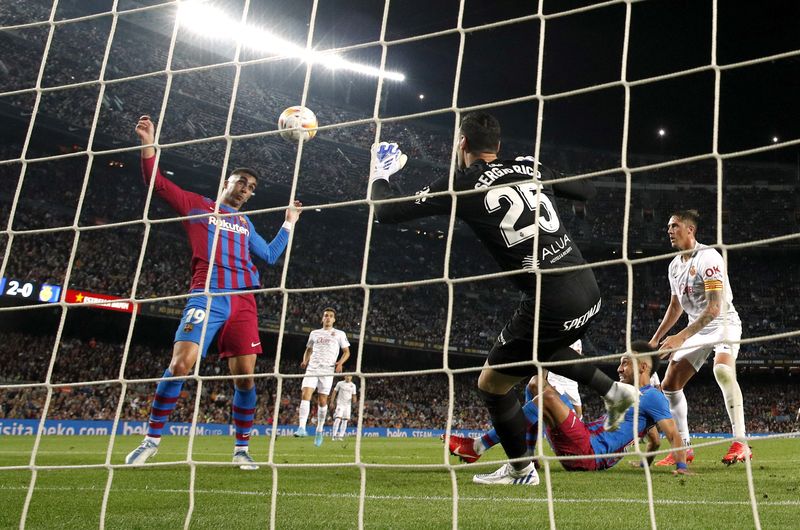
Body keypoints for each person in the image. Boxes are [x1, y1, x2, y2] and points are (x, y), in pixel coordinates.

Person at [369, 111, 637, 485]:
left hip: (550, 300)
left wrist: (380, 172)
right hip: (588, 290)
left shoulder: (461, 183)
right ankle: (614, 390)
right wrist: (546, 177)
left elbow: (384, 212)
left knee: (492, 384)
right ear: (498, 146)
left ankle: (521, 470)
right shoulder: (527, 167)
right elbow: (587, 191)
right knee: (537, 353)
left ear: (462, 144)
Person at [125, 115, 302, 470]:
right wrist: (149, 144)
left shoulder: (245, 222)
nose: (246, 190)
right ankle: (151, 440)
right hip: (206, 295)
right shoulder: (198, 206)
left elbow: (268, 254)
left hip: (243, 302)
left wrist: (288, 222)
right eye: (242, 182)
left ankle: (241, 448)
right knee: (180, 365)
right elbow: (156, 184)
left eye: (251, 188)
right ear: (228, 181)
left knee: (246, 378)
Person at [449, 341, 689, 483]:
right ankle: (529, 456)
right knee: (535, 384)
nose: (619, 367)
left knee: (547, 397)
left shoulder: (653, 396)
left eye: (625, 362)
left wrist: (681, 468)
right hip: (583, 440)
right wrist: (644, 464)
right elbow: (653, 440)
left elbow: (671, 435)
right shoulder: (629, 396)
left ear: (643, 366)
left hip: (590, 453)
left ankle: (478, 447)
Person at [648, 210, 750, 466]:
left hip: (723, 323)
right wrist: (655, 339)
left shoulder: (709, 258)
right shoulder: (674, 266)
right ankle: (683, 448)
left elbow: (714, 308)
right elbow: (675, 307)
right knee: (670, 384)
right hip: (696, 328)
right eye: (668, 227)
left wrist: (680, 337)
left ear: (690, 229)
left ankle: (741, 443)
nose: (669, 230)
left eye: (674, 226)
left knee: (723, 371)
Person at [295, 307, 351, 447]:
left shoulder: (339, 334)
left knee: (322, 400)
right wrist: (305, 360)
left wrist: (340, 363)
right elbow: (308, 349)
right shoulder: (314, 333)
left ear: (334, 319)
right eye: (326, 315)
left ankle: (319, 430)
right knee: (305, 394)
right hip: (312, 368)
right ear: (322, 318)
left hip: (327, 370)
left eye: (331, 316)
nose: (328, 318)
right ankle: (302, 427)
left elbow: (346, 352)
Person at [329, 375, 358, 441]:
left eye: (349, 376)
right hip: (340, 404)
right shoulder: (340, 383)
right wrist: (331, 402)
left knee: (345, 420)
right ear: (344, 377)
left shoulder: (353, 385)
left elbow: (354, 395)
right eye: (347, 376)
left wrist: (354, 400)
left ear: (351, 377)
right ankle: (333, 436)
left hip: (348, 405)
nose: (348, 377)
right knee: (338, 419)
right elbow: (334, 392)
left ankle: (340, 436)